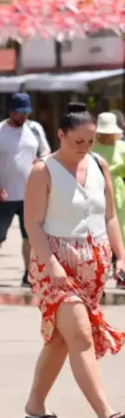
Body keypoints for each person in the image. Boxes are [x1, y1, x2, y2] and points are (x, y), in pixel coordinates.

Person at [23, 103, 125, 418]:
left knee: (61, 340)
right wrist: (51, 264)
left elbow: (109, 216)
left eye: (89, 141)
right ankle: (106, 413)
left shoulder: (98, 164)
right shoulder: (43, 170)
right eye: (77, 141)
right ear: (61, 135)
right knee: (79, 334)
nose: (83, 148)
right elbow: (33, 224)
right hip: (54, 264)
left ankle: (35, 406)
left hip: (93, 264)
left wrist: (120, 257)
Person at [0, 93, 51, 287]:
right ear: (10, 112)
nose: (23, 117)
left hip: (31, 194)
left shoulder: (35, 129)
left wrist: (41, 159)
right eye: (19, 113)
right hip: (5, 195)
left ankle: (28, 273)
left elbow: (46, 151)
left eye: (26, 113)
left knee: (30, 236)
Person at [91, 112, 125, 291]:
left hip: (119, 195)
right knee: (98, 234)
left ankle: (122, 273)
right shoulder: (91, 148)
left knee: (121, 232)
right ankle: (99, 275)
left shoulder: (122, 148)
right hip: (95, 193)